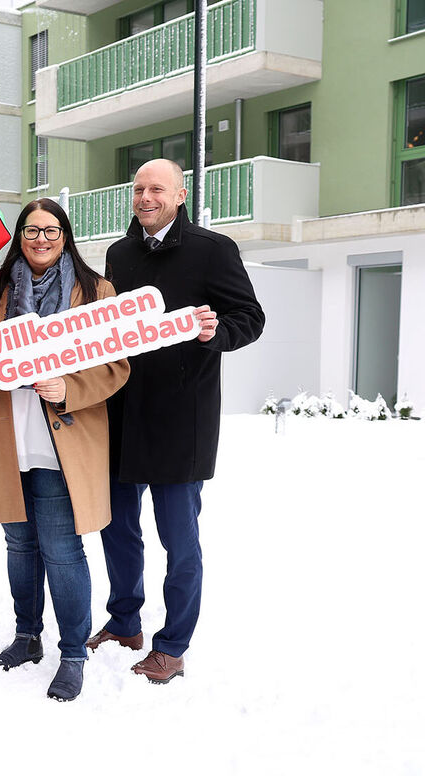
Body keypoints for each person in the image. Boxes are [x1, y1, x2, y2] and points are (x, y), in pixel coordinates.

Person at [89, 158, 265, 683]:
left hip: (180, 420)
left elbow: (249, 318)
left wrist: (216, 332)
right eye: (138, 188)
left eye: (157, 189)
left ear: (180, 195)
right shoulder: (117, 254)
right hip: (120, 415)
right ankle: (125, 623)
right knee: (117, 530)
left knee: (178, 540)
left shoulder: (213, 250)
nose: (146, 197)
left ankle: (172, 646)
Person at [0, 198, 129, 702]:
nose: (41, 239)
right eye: (31, 230)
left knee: (61, 549)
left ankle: (73, 652)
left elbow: (116, 366)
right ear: (19, 235)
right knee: (18, 545)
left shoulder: (96, 291)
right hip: (6, 436)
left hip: (62, 441)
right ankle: (27, 637)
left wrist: (68, 388)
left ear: (66, 235)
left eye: (51, 230)